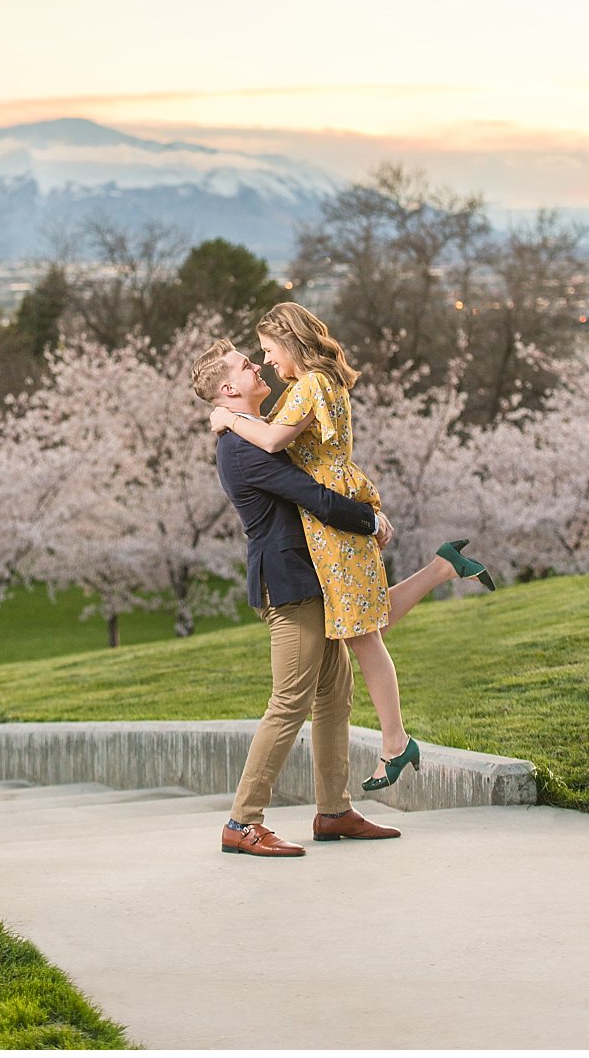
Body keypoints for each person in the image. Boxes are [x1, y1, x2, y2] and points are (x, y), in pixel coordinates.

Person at [209, 304, 493, 792]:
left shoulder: (308, 386)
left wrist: (228, 419)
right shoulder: (323, 382)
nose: (267, 362)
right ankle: (442, 568)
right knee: (364, 619)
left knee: (364, 632)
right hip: (340, 505)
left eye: (270, 351)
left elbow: (275, 442)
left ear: (291, 343)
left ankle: (395, 742)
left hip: (333, 518)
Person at [191, 337, 404, 858]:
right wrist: (369, 519)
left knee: (335, 697)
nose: (258, 365)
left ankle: (334, 812)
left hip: (314, 583)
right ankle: (243, 821)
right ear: (227, 388)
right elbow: (313, 496)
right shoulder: (243, 448)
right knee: (289, 702)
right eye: (246, 365)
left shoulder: (257, 434)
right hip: (289, 586)